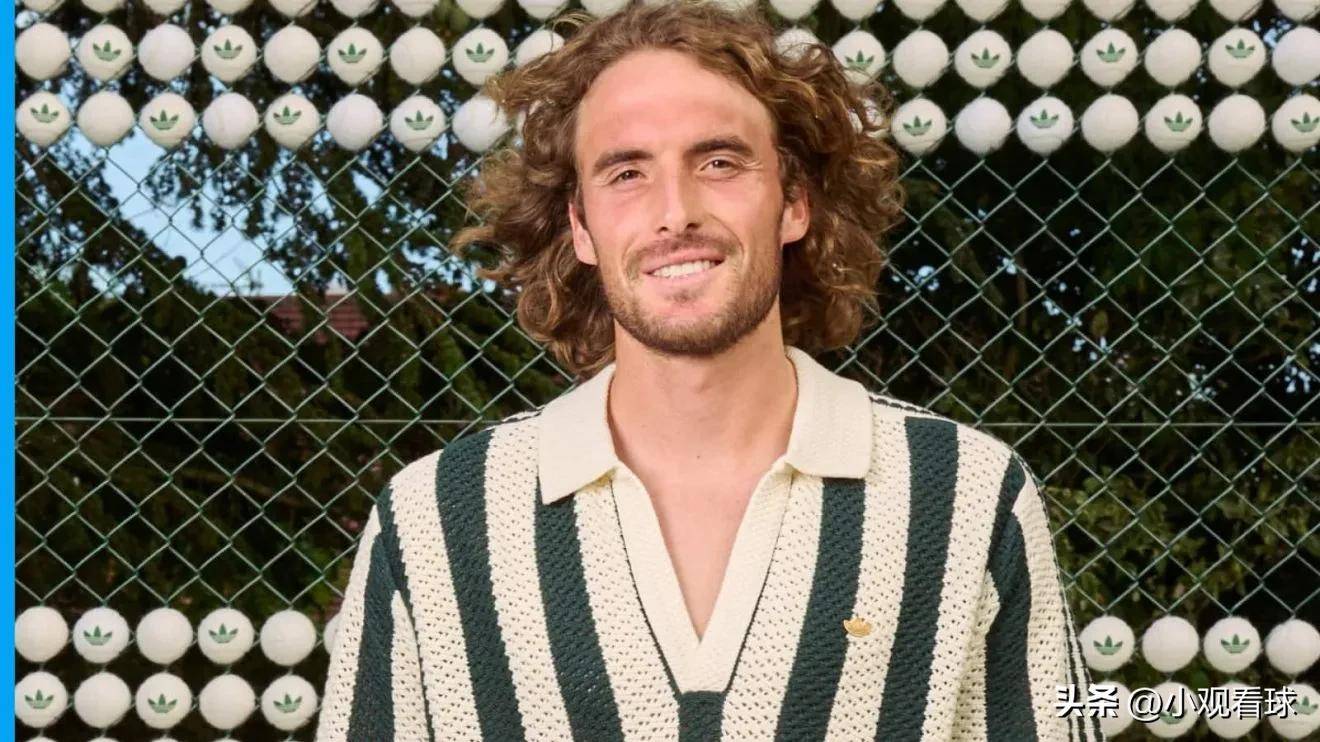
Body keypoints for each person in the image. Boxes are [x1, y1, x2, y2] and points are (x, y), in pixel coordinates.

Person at [316, 1, 1102, 739]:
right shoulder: (434, 523)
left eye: (720, 162)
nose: (675, 212)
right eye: (627, 173)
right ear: (581, 227)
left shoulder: (966, 496)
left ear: (794, 203)